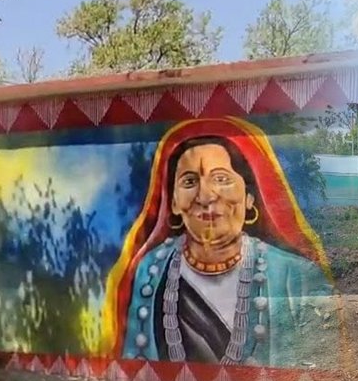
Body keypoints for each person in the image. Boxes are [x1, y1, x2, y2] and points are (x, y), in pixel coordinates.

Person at [103, 117, 335, 367]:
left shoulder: (296, 276)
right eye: (189, 181)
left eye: (222, 179)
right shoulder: (151, 272)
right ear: (173, 202)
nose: (205, 196)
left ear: (249, 197)